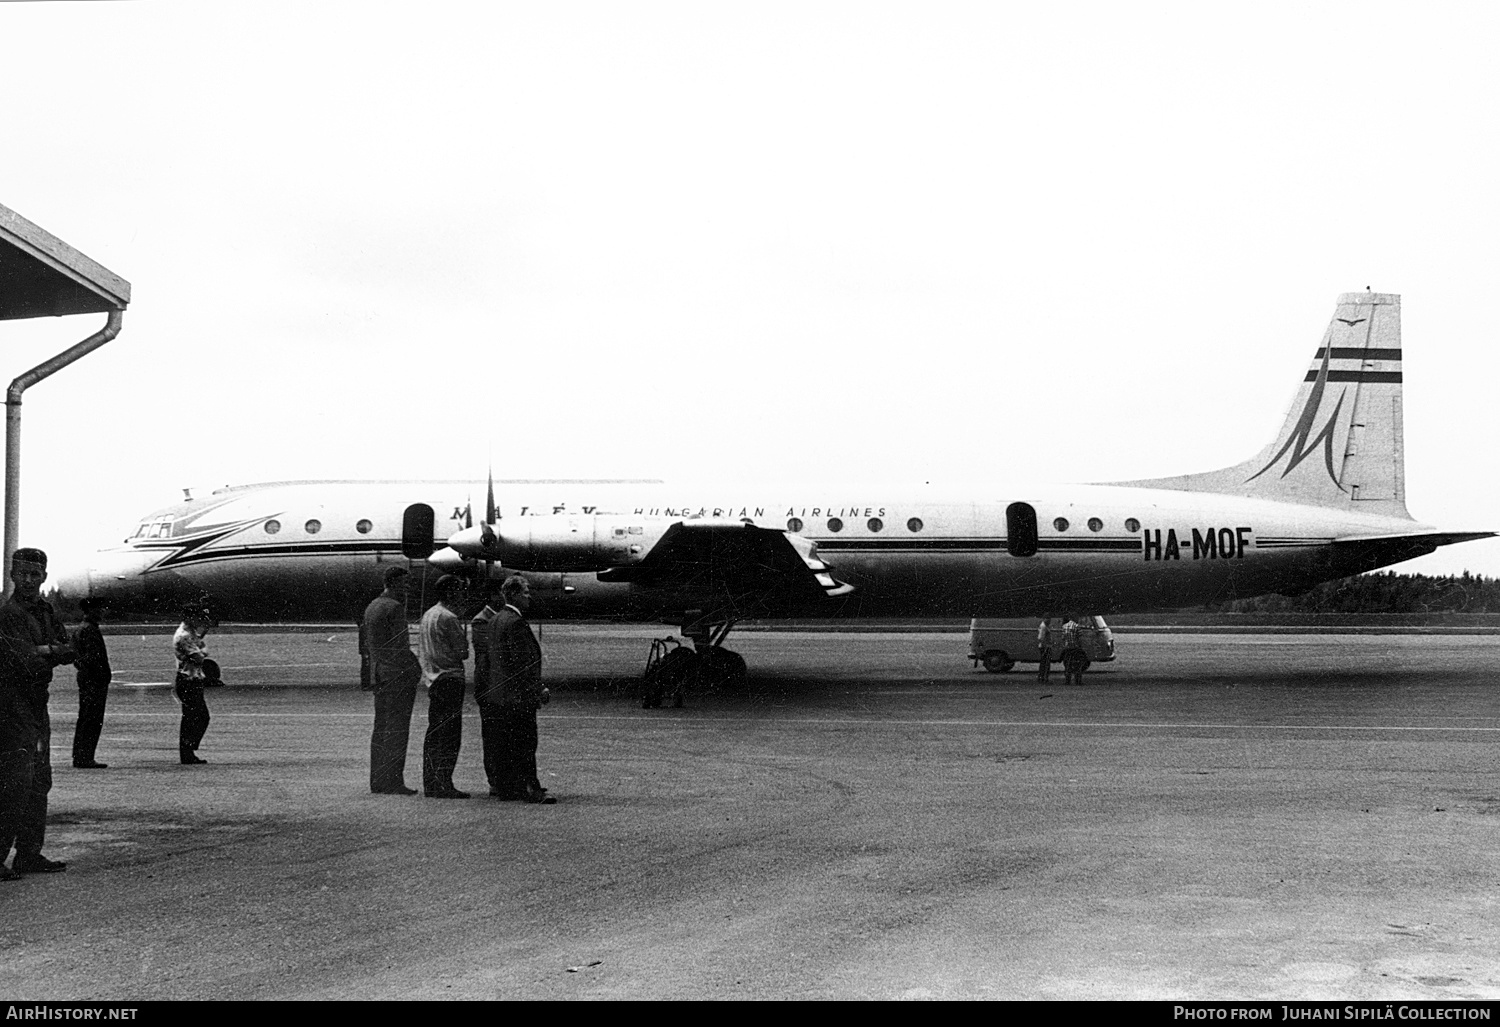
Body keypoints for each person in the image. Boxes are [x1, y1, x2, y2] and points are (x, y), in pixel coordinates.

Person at [0, 547, 75, 876]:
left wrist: (48, 650)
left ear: (44, 576)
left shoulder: (45, 611)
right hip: (11, 703)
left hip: (35, 702)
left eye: (35, 574)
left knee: (39, 779)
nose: (28, 580)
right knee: (16, 779)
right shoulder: (9, 614)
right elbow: (25, 661)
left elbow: (70, 648)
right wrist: (53, 651)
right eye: (22, 573)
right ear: (12, 575)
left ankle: (29, 853)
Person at [484, 575, 553, 803]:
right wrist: (538, 689)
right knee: (525, 743)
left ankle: (508, 788)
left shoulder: (494, 620)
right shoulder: (516, 622)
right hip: (518, 696)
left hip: (501, 695)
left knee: (507, 744)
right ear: (513, 594)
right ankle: (530, 789)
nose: (528, 596)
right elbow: (523, 664)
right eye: (525, 593)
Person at [364, 566, 420, 795]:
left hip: (379, 674)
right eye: (404, 584)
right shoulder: (395, 608)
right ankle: (394, 781)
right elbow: (401, 647)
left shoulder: (373, 606)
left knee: (381, 729)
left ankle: (378, 780)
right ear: (394, 583)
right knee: (397, 730)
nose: (407, 589)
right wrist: (414, 669)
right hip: (397, 676)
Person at [418, 575, 469, 799]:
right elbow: (462, 652)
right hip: (449, 677)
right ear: (450, 593)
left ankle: (431, 782)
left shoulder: (429, 614)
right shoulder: (449, 618)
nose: (461, 594)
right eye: (458, 590)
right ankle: (444, 782)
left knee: (435, 733)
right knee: (449, 736)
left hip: (433, 678)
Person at [469, 584, 505, 796]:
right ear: (492, 595)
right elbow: (490, 654)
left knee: (503, 735)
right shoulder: (481, 621)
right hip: (490, 685)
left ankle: (504, 779)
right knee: (492, 736)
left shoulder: (498, 618)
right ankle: (495, 781)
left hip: (498, 684)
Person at [71, 598, 112, 769]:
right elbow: (91, 658)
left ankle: (82, 755)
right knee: (92, 719)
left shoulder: (84, 628)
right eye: (99, 608)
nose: (103, 611)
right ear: (91, 610)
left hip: (89, 679)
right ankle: (84, 757)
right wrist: (101, 675)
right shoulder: (89, 630)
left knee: (86, 718)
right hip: (93, 680)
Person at [173, 603, 214, 764]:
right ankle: (187, 751)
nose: (198, 619)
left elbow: (202, 650)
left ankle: (188, 750)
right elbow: (200, 656)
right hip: (188, 680)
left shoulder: (190, 633)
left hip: (192, 679)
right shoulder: (185, 635)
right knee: (195, 717)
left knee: (196, 717)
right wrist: (201, 650)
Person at [1061, 615, 1083, 686]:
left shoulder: (1064, 626)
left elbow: (1063, 638)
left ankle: (1067, 680)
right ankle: (1078, 681)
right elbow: (1080, 638)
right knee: (1077, 665)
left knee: (1067, 665)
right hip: (1075, 648)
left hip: (1067, 648)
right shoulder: (1077, 626)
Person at [1036, 616, 1053, 682]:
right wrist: (1045, 645)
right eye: (1048, 619)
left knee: (1044, 662)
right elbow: (1040, 638)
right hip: (1045, 647)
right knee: (1046, 663)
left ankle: (1042, 677)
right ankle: (1044, 677)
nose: (1049, 621)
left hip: (1045, 646)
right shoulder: (1043, 627)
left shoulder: (1045, 626)